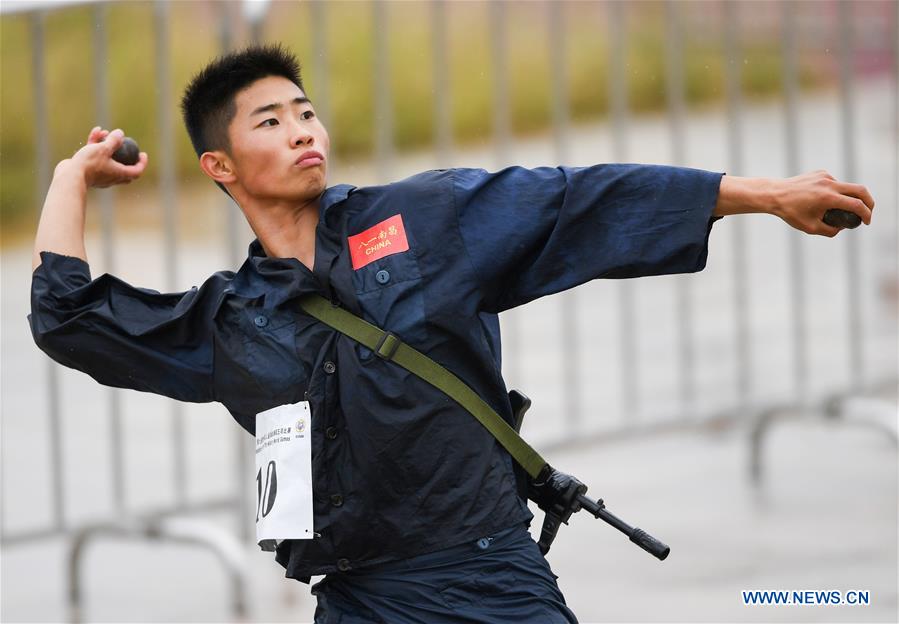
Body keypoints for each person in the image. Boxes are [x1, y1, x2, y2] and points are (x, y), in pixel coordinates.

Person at [29, 43, 875, 623]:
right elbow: (68, 318)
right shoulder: (232, 317)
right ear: (220, 167)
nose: (301, 132)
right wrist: (71, 179)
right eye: (269, 122)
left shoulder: (420, 220)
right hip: (356, 596)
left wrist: (762, 194)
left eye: (306, 112)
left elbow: (578, 197)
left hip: (485, 572)